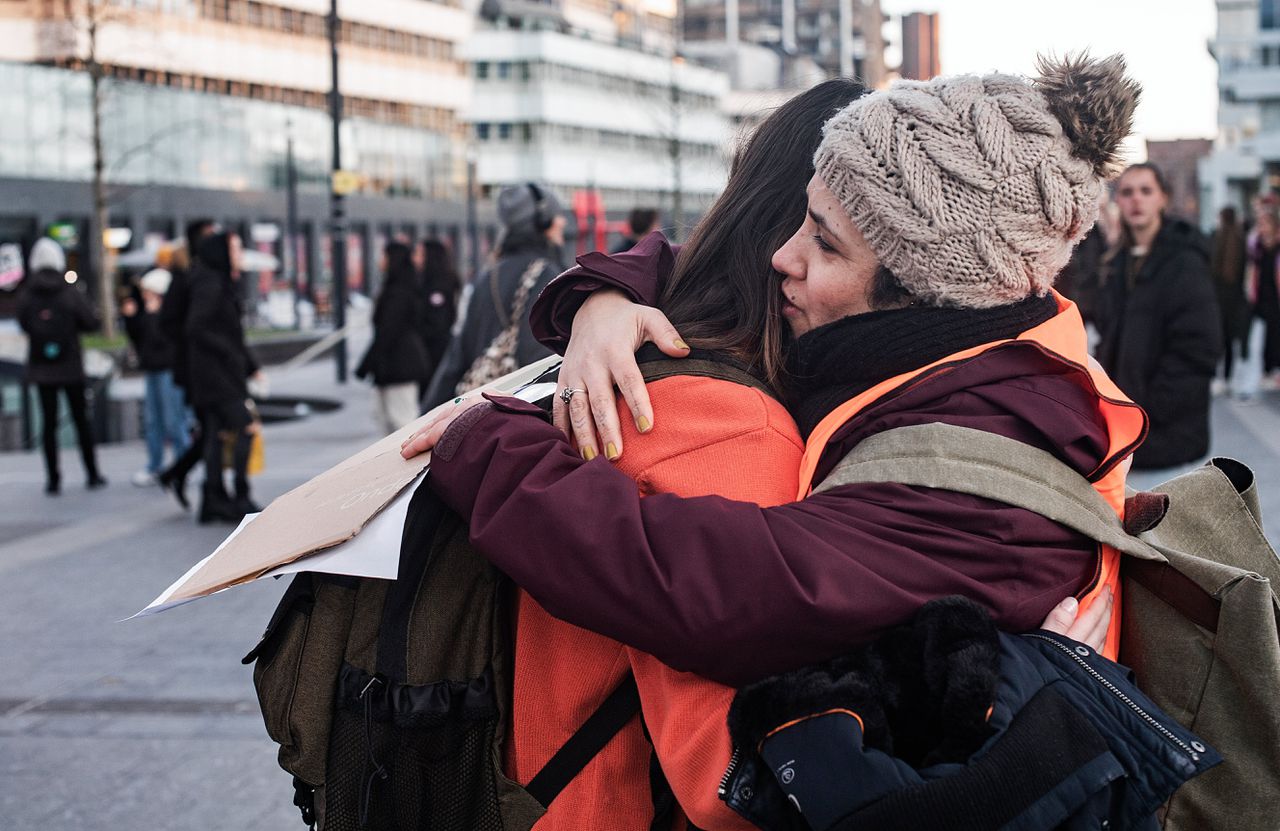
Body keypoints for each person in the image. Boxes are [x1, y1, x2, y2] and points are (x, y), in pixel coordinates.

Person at [404, 54, 1140, 690]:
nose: (782, 257)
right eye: (798, 220)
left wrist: (488, 446)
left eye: (823, 242)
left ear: (922, 290)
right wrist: (608, 293)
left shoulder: (979, 472)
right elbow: (722, 258)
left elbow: (718, 586)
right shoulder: (960, 363)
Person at [1095, 163, 1221, 470]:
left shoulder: (1185, 261)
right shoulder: (1117, 263)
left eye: (1146, 191)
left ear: (1162, 198)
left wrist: (1150, 409)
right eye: (1127, 192)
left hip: (1168, 435)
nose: (1136, 200)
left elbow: (1199, 348)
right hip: (1126, 436)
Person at [422, 183, 567, 409]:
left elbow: (457, 358)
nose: (562, 222)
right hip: (523, 416)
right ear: (542, 220)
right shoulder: (546, 275)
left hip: (484, 409)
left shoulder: (487, 276)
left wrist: (426, 416)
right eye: (557, 215)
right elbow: (542, 363)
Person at [184, 231, 264, 523]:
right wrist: (230, 354)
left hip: (215, 374)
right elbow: (198, 327)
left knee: (216, 435)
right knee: (245, 426)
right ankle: (238, 495)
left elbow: (231, 333)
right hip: (216, 376)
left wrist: (249, 364)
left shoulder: (217, 281)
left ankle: (213, 499)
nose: (239, 253)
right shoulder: (212, 284)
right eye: (235, 248)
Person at [18, 237, 106, 495]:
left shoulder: (28, 293)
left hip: (41, 368)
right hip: (70, 366)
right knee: (81, 420)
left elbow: (24, 323)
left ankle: (53, 478)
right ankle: (92, 473)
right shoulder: (69, 291)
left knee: (48, 424)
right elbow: (91, 322)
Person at [156, 219, 217, 508]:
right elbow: (169, 323)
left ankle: (178, 475)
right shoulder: (185, 280)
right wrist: (187, 346)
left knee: (211, 431)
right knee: (211, 431)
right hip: (195, 368)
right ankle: (179, 475)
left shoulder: (199, 275)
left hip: (200, 367)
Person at [356, 241, 432, 434]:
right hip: (391, 367)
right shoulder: (399, 288)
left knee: (402, 422)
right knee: (386, 419)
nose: (380, 261)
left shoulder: (399, 292)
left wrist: (366, 365)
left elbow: (389, 331)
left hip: (401, 365)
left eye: (384, 256)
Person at [122, 267, 189, 486]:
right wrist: (132, 319)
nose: (144, 295)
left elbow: (165, 340)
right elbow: (140, 340)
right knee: (154, 420)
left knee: (174, 420)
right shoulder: (147, 312)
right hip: (152, 368)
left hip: (168, 369)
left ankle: (182, 464)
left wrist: (153, 315)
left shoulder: (168, 312)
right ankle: (155, 464)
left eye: (148, 291)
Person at [1211, 205, 1248, 392]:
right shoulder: (1241, 240)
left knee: (1219, 338)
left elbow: (1212, 269)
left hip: (1219, 297)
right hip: (1235, 298)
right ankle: (1228, 377)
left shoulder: (1218, 239)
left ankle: (1220, 378)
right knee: (1230, 341)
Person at [1246, 201, 1280, 389]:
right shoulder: (1256, 244)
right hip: (1262, 294)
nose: (1262, 227)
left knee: (1276, 334)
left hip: (1276, 293)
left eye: (1265, 223)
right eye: (1260, 224)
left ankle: (1274, 370)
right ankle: (1267, 370)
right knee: (1263, 336)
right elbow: (1252, 269)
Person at [417, 237, 460, 370]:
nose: (415, 258)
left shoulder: (439, 285)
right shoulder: (424, 281)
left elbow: (439, 321)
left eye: (419, 254)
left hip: (435, 351)